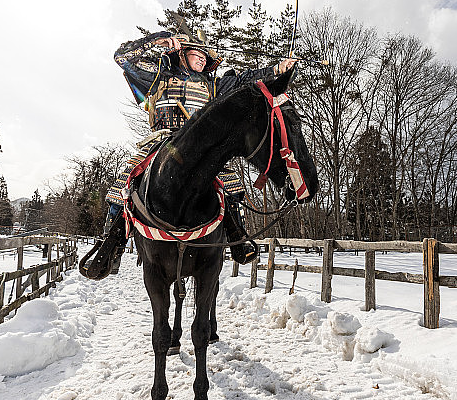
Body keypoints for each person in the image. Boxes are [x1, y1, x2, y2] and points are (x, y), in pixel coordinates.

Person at [82, 29, 297, 275]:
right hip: (162, 141)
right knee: (126, 178)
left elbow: (245, 81)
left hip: (201, 146)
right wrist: (157, 39)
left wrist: (278, 69)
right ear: (183, 54)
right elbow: (122, 57)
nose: (204, 59)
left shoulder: (213, 84)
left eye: (207, 57)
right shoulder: (159, 75)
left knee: (231, 182)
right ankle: (112, 244)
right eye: (198, 54)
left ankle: (237, 236)